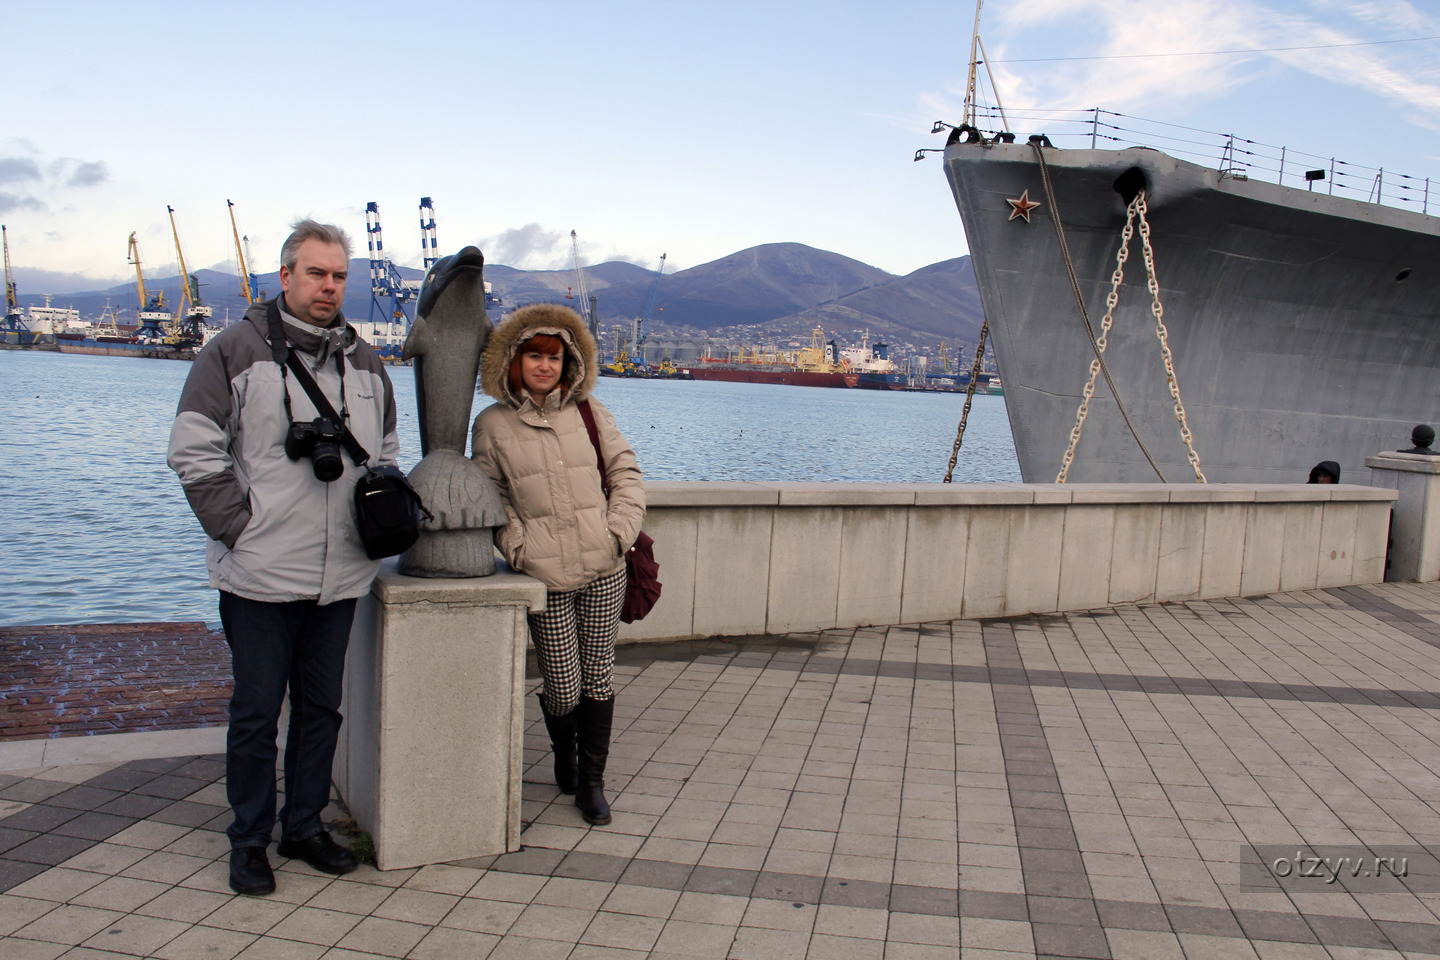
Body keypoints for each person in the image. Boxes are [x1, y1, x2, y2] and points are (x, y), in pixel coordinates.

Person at [167, 220, 399, 895]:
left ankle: (303, 826)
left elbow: (382, 454)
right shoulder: (233, 351)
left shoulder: (366, 363)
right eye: (317, 274)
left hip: (341, 575)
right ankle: (248, 840)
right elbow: (193, 450)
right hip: (260, 574)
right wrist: (240, 529)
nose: (329, 287)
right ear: (285, 277)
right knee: (256, 713)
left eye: (339, 276)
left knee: (322, 709)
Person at [471, 303, 645, 826]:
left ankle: (590, 782)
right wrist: (518, 548)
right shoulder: (493, 424)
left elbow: (625, 470)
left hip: (604, 566)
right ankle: (563, 757)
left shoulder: (590, 412)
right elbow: (488, 495)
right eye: (534, 356)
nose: (545, 366)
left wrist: (619, 532)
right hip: (544, 574)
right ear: (514, 361)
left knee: (598, 676)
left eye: (554, 357)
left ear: (570, 362)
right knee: (562, 683)